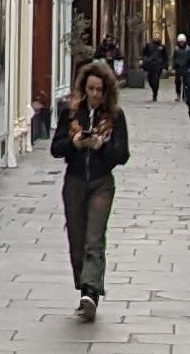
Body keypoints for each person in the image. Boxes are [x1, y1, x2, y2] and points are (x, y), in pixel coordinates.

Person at [48, 63, 131, 322]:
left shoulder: (115, 117)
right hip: (74, 182)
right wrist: (74, 143)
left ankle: (90, 292)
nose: (95, 94)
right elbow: (56, 148)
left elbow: (122, 154)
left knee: (94, 237)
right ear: (84, 88)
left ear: (106, 91)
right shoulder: (70, 114)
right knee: (76, 238)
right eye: (91, 89)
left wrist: (100, 147)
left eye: (99, 90)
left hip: (101, 182)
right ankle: (83, 284)